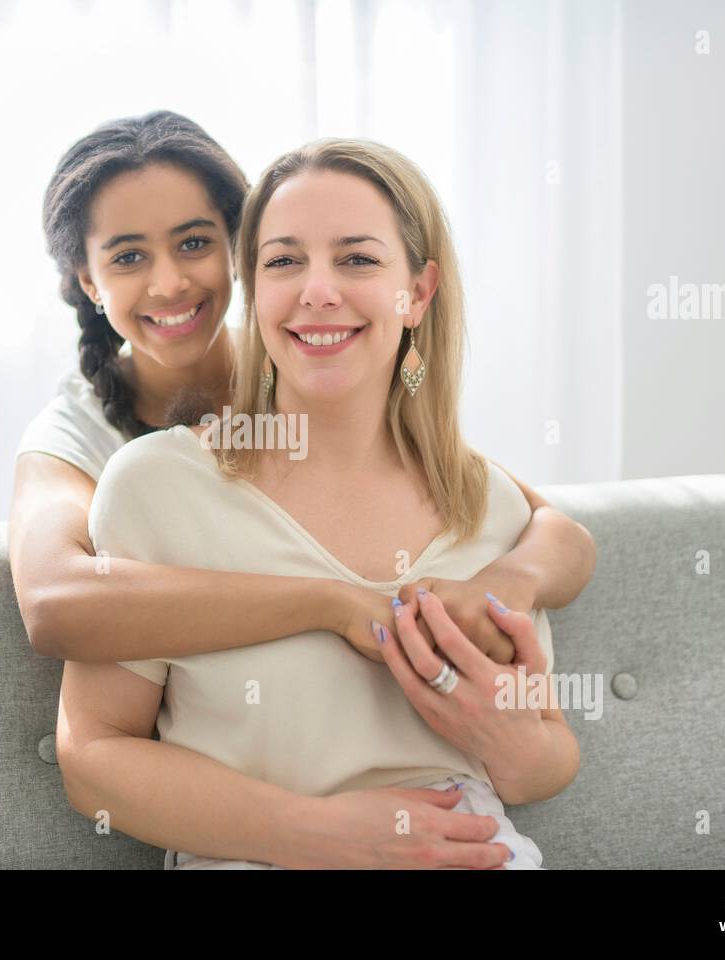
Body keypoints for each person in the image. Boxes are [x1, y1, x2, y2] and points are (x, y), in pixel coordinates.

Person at [55, 137, 585, 869]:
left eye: (358, 259)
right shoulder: (158, 487)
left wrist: (514, 737)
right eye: (283, 261)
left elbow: (539, 768)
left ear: (419, 293)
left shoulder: (489, 507)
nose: (317, 290)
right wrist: (322, 835)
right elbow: (94, 758)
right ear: (253, 288)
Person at [9, 111, 595, 675]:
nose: (169, 283)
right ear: (90, 281)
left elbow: (551, 529)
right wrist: (329, 605)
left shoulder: (306, 364)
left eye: (193, 244)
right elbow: (53, 601)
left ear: (238, 254)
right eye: (129, 257)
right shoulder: (76, 434)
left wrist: (511, 584)